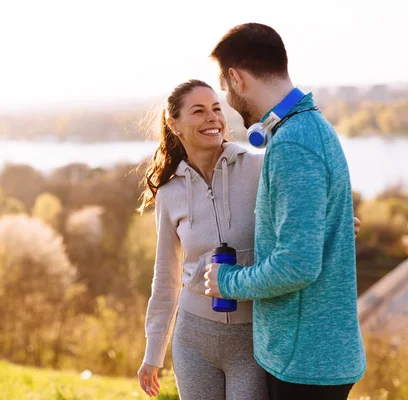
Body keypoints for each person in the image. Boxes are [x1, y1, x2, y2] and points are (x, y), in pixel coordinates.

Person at [135, 77, 362, 398]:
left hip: (253, 336)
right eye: (198, 111)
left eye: (216, 108)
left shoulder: (260, 167)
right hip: (193, 338)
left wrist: (331, 225)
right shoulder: (170, 193)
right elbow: (165, 278)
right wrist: (153, 352)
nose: (213, 117)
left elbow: (301, 222)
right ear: (175, 124)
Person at [204, 23, 367, 400]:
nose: (226, 98)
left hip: (306, 364)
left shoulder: (294, 143)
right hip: (312, 355)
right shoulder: (307, 127)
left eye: (224, 88)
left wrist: (226, 281)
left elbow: (296, 265)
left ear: (236, 78)